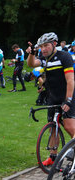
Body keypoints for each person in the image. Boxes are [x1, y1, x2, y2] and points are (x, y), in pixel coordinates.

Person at [27, 32, 75, 166]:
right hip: (52, 97)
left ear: (54, 44)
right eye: (41, 46)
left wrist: (69, 100)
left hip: (67, 96)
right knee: (53, 128)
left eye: (46, 45)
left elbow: (70, 80)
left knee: (70, 128)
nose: (43, 49)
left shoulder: (64, 57)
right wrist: (32, 53)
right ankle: (53, 158)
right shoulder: (44, 58)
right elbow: (31, 64)